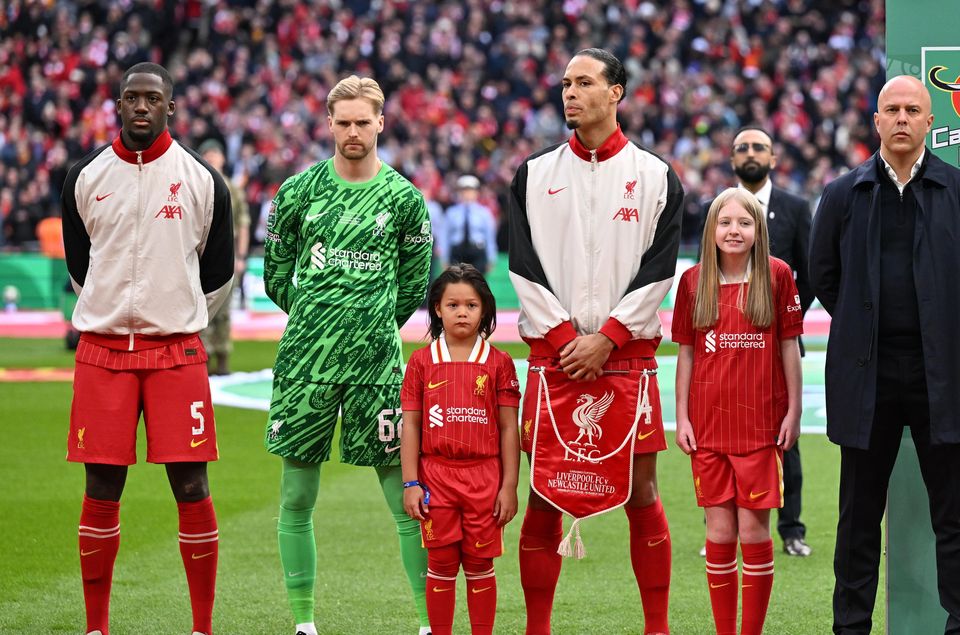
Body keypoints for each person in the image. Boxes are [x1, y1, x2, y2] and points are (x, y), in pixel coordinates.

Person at [508, 48, 683, 635]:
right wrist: (565, 338)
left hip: (626, 360)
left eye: (584, 83)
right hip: (553, 360)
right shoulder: (533, 175)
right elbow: (522, 265)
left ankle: (656, 626)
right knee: (541, 493)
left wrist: (608, 337)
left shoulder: (655, 175)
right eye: (565, 84)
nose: (570, 94)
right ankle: (538, 627)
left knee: (642, 490)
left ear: (617, 93)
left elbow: (661, 268)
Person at [60, 62, 234, 635]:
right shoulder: (84, 176)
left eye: (152, 99)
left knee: (191, 485)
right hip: (102, 355)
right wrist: (115, 314)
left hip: (175, 355)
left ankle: (203, 626)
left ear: (171, 108)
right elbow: (79, 267)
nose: (141, 107)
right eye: (131, 98)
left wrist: (171, 318)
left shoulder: (202, 180)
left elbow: (217, 274)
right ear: (117, 104)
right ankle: (95, 627)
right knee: (102, 486)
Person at [262, 75, 434, 635]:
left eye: (363, 121)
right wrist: (320, 319)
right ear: (329, 125)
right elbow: (275, 276)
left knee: (405, 497)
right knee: (297, 493)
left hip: (376, 365)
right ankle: (304, 623)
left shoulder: (404, 199)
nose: (353, 131)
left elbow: (413, 287)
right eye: (344, 122)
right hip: (304, 365)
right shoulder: (297, 192)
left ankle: (429, 623)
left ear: (381, 122)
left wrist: (365, 323)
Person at [810, 74, 960, 635]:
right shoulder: (845, 193)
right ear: (876, 122)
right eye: (891, 110)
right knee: (857, 519)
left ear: (929, 122)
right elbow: (825, 275)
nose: (901, 119)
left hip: (941, 375)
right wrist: (864, 323)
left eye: (911, 110)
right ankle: (850, 627)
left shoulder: (957, 189)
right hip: (866, 374)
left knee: (953, 515)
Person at [674, 188, 803, 635]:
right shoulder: (693, 283)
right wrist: (683, 417)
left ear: (758, 230)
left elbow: (789, 347)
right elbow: (687, 356)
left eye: (744, 223)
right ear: (711, 230)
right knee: (720, 534)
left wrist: (794, 412)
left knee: (753, 534)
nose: (734, 230)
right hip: (708, 427)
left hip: (759, 428)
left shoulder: (778, 275)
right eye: (725, 222)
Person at [701, 126, 814, 557]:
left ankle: (792, 530)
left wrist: (785, 322)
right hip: (722, 350)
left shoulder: (795, 207)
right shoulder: (716, 210)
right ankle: (721, 526)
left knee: (787, 442)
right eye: (742, 148)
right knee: (717, 436)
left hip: (777, 341)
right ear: (732, 159)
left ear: (773, 157)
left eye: (759, 147)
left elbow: (811, 270)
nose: (751, 153)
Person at [400, 264, 521, 635]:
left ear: (484, 309)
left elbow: (507, 429)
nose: (462, 312)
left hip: (484, 477)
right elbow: (412, 426)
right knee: (440, 562)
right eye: (453, 305)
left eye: (471, 304)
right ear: (437, 308)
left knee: (480, 563)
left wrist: (509, 486)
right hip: (436, 477)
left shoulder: (499, 363)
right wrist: (410, 483)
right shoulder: (421, 362)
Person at [198, 139, 250, 376]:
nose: (211, 158)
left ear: (222, 158)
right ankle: (204, 358)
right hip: (202, 257)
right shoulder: (196, 186)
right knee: (202, 310)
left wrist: (240, 256)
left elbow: (243, 224)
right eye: (206, 154)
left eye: (214, 154)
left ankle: (222, 359)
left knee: (225, 310)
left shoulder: (233, 189)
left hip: (227, 255)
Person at [440, 175, 497, 273]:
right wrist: (444, 258)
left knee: (477, 284)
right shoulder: (451, 212)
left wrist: (491, 258)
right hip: (457, 252)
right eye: (464, 190)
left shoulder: (484, 213)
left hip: (477, 251)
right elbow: (445, 236)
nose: (467, 194)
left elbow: (490, 237)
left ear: (476, 193)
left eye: (470, 190)